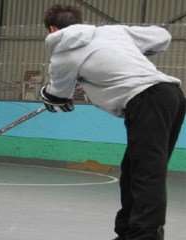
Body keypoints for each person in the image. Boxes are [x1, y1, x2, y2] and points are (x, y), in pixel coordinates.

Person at [40, 4, 185, 240]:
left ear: (53, 29)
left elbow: (58, 95)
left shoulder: (62, 54)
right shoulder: (110, 32)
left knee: (147, 172)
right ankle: (128, 231)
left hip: (146, 99)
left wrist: (47, 95)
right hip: (170, 96)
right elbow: (162, 36)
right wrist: (132, 50)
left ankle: (145, 235)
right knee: (132, 170)